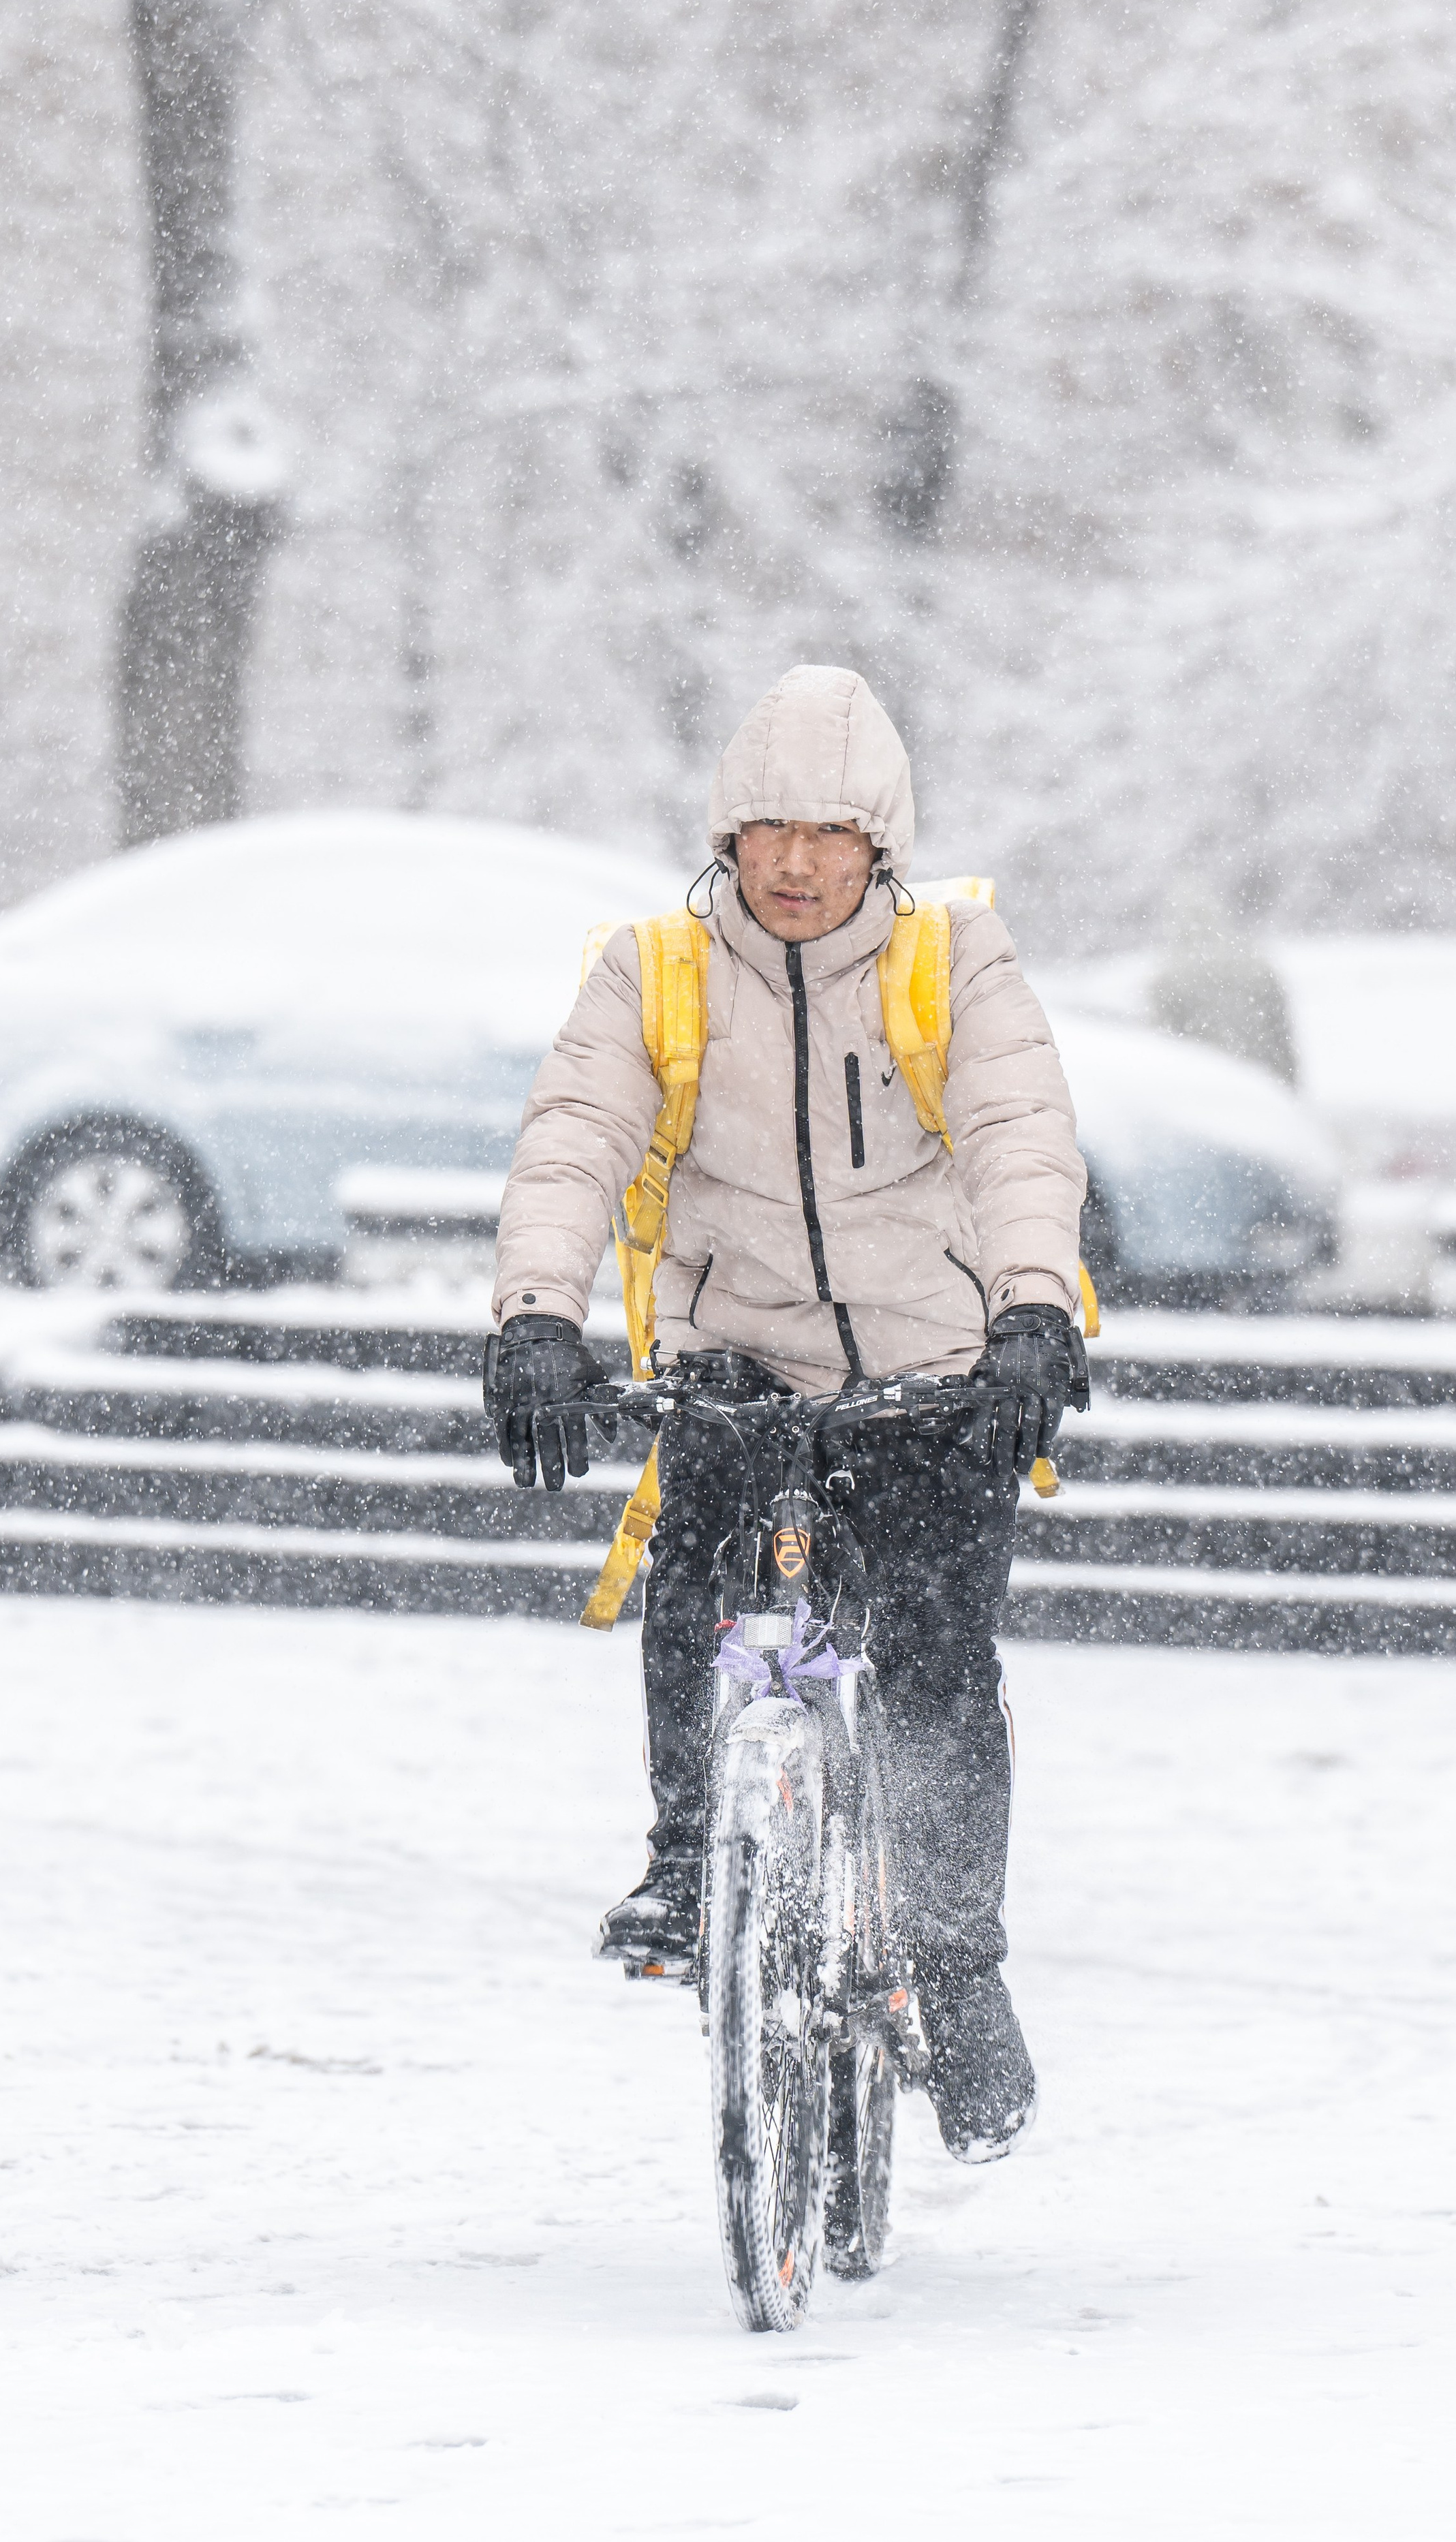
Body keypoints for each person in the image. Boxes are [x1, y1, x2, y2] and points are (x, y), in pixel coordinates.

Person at [485, 665, 1087, 2163]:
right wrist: (534, 1321)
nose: (796, 862)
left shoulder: (953, 960)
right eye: (766, 830)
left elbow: (1020, 1134)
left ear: (878, 843)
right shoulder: (656, 973)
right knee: (695, 1583)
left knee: (936, 1666)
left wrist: (1026, 1309)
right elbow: (573, 1141)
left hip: (933, 1368)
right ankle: (690, 1860)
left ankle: (954, 1965)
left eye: (829, 831)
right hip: (736, 1354)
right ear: (727, 839)